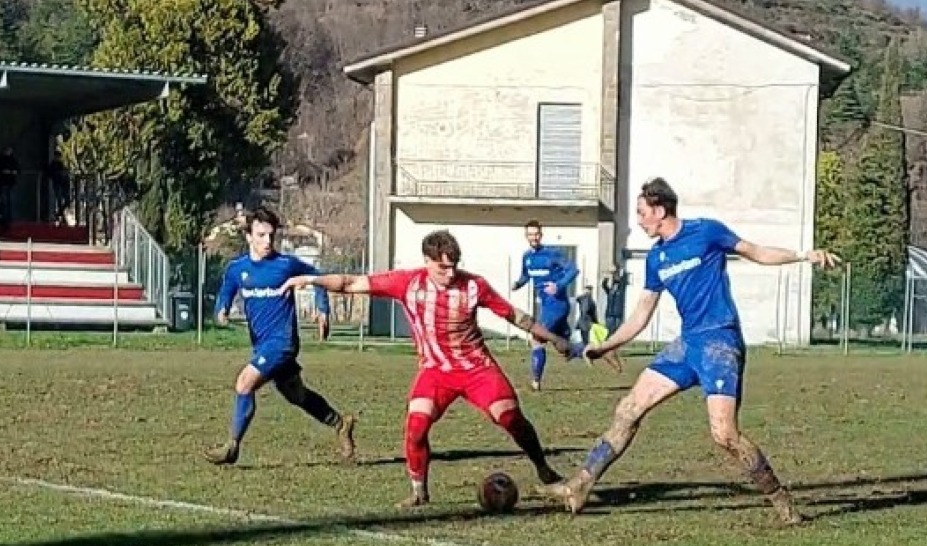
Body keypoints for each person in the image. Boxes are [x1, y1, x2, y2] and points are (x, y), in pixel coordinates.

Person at [540, 177, 840, 525]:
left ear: (660, 210)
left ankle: (781, 501)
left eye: (641, 213)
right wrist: (607, 345)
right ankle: (580, 484)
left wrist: (804, 255)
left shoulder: (707, 231)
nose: (639, 221)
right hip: (687, 345)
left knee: (724, 435)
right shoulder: (656, 258)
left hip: (720, 342)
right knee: (628, 410)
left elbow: (756, 252)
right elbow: (641, 314)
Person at [281, 229, 586, 508]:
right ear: (426, 261)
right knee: (416, 425)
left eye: (454, 266)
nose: (450, 273)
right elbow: (350, 283)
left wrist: (555, 339)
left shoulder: (474, 285)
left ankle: (543, 468)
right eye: (443, 268)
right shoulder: (407, 282)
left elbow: (516, 316)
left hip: (476, 369)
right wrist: (309, 280)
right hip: (435, 371)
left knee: (510, 418)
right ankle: (419, 491)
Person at [206, 206, 357, 466]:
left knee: (244, 383)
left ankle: (232, 446)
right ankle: (340, 423)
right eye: (261, 235)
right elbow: (227, 290)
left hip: (283, 343)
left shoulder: (285, 265)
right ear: (249, 237)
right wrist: (222, 309)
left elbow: (317, 277)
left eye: (271, 235)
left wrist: (322, 309)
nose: (267, 241)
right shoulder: (237, 269)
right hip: (262, 344)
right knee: (296, 395)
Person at [511, 220, 578, 390]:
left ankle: (535, 382)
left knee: (537, 338)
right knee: (564, 347)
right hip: (546, 305)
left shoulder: (552, 253)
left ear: (541, 235)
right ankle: (596, 351)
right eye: (530, 234)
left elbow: (573, 269)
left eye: (536, 234)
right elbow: (526, 276)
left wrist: (558, 285)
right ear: (526, 236)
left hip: (557, 305)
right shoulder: (527, 257)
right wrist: (518, 284)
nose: (533, 237)